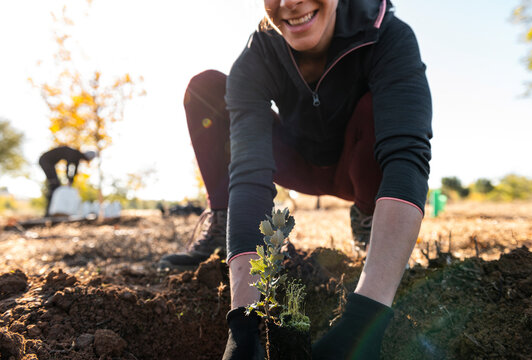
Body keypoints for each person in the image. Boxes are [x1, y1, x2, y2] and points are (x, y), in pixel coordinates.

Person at [160, 0, 432, 358]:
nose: (289, 2)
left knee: (376, 109)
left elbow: (406, 156)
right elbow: (248, 173)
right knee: (206, 87)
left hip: (359, 166)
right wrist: (244, 323)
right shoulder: (257, 57)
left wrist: (365, 320)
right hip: (295, 162)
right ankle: (224, 225)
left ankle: (370, 218)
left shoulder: (388, 36)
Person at [39, 146, 96, 216]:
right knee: (54, 184)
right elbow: (68, 166)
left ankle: (50, 212)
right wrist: (68, 179)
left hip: (49, 163)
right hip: (45, 161)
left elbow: (75, 171)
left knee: (55, 185)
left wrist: (70, 181)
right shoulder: (74, 154)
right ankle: (48, 213)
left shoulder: (76, 157)